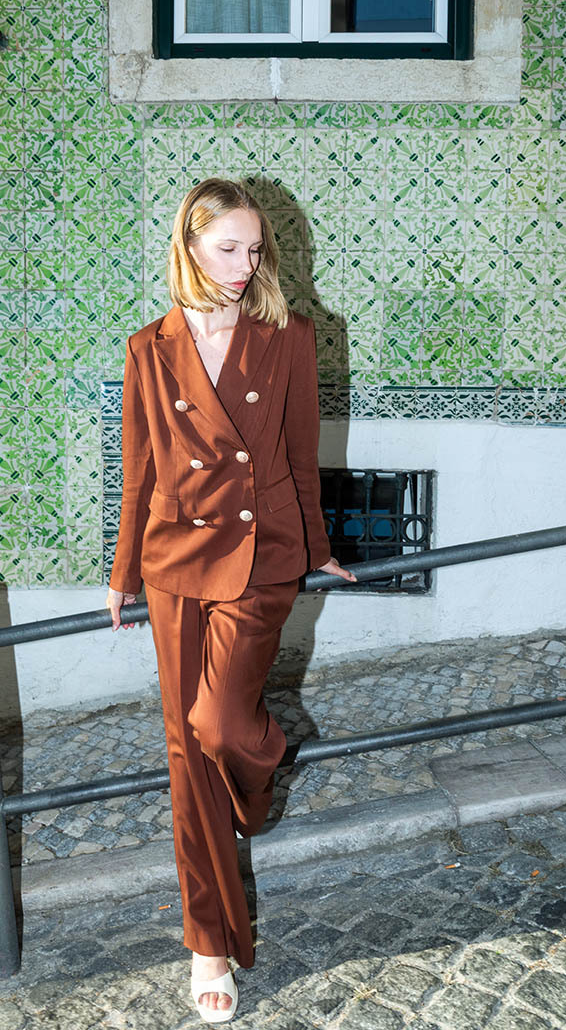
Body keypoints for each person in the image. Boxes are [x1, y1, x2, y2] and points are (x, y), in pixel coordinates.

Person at [105, 177, 356, 1023]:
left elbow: (297, 453)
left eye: (256, 251)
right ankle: (207, 944)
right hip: (176, 560)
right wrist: (120, 575)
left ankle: (265, 760)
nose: (246, 266)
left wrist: (318, 551)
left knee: (220, 727)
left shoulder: (288, 338)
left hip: (261, 557)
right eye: (229, 249)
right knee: (187, 755)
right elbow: (139, 471)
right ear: (189, 245)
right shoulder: (150, 347)